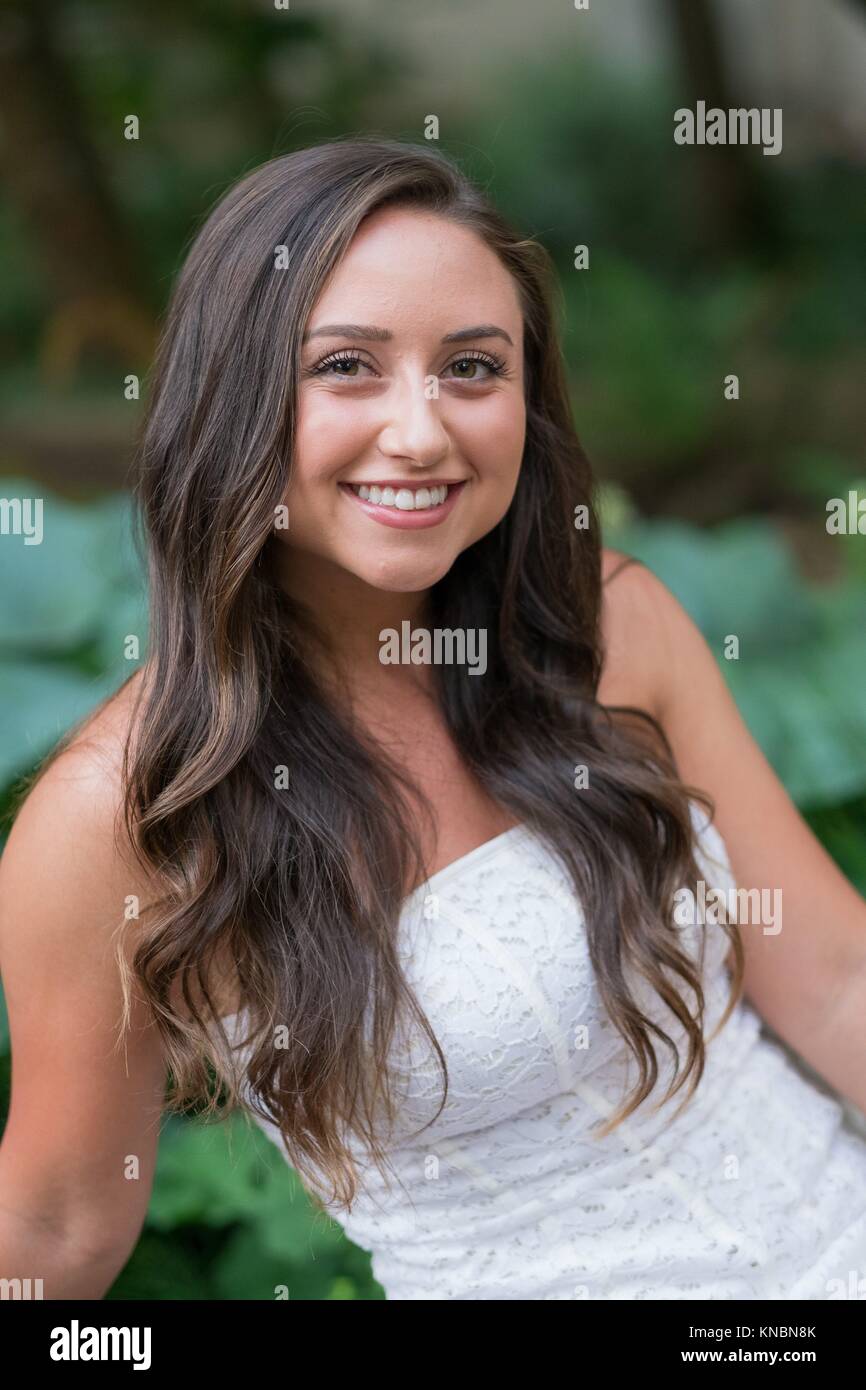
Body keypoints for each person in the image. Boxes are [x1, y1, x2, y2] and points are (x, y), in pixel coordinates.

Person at [1, 137, 865, 1302]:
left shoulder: (614, 628)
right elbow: (54, 1234)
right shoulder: (119, 814)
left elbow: (833, 978)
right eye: (347, 365)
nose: (420, 432)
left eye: (471, 366)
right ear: (233, 395)